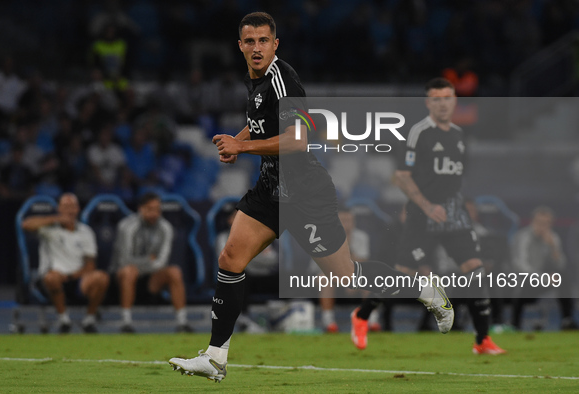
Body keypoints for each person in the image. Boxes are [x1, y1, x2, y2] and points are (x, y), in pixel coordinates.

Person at [169, 12, 454, 382]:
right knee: (230, 257)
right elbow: (260, 122)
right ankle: (215, 357)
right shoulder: (254, 79)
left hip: (304, 193)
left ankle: (424, 289)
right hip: (270, 190)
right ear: (240, 45)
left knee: (347, 276)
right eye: (249, 41)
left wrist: (243, 145)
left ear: (275, 44)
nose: (256, 48)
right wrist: (241, 143)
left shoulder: (282, 80)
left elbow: (298, 139)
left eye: (263, 41)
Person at [351, 78, 506, 355]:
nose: (442, 103)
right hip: (422, 217)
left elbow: (457, 179)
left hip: (454, 217)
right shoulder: (419, 133)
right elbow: (401, 177)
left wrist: (456, 207)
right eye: (436, 98)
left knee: (476, 269)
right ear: (428, 103)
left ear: (454, 101)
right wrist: (426, 205)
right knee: (401, 276)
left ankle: (482, 339)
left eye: (447, 97)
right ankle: (362, 316)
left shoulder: (459, 136)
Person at [21, 193, 109, 333]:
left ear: (78, 209)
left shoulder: (86, 232)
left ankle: (89, 320)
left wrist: (73, 276)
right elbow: (26, 224)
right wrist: (56, 218)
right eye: (66, 207)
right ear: (59, 209)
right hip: (52, 279)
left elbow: (90, 265)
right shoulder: (48, 229)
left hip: (76, 279)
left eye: (73, 206)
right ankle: (64, 320)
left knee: (101, 277)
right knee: (52, 278)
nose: (70, 210)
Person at [111, 192, 191, 333]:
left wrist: (142, 264)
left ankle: (182, 322)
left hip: (151, 280)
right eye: (150, 209)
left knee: (174, 271)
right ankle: (126, 322)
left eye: (157, 209)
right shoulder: (126, 227)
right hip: (122, 279)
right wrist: (148, 260)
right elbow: (124, 261)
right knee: (129, 271)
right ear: (140, 209)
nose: (154, 213)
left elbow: (162, 262)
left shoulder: (166, 228)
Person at [510, 206, 577, 330]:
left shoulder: (552, 238)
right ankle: (515, 325)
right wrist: (543, 277)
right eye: (540, 223)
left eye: (546, 223)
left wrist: (553, 247)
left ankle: (567, 320)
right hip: (523, 280)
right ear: (532, 221)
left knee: (563, 277)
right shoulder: (524, 237)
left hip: (541, 280)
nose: (543, 227)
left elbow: (561, 265)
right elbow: (520, 265)